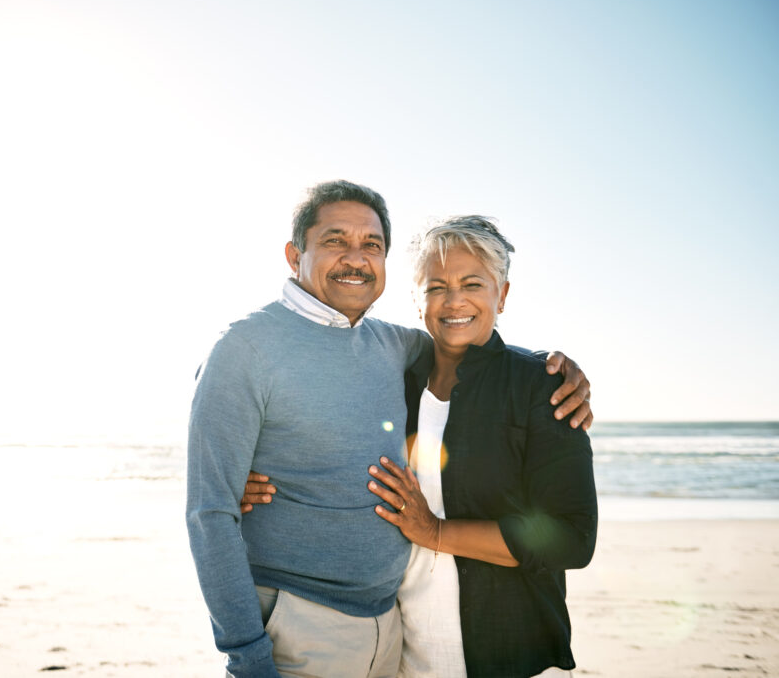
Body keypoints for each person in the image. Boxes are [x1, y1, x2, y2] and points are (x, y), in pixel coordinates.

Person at [187, 181, 591, 678]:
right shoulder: (258, 349)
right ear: (295, 256)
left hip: (434, 640)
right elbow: (211, 507)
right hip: (337, 633)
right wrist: (246, 656)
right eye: (335, 240)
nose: (356, 259)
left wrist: (556, 367)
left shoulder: (412, 353)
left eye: (371, 245)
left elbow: (571, 536)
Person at [366, 215, 598, 677]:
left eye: (473, 283)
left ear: (502, 295)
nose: (454, 301)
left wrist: (434, 532)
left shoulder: (542, 386)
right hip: (400, 653)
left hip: (511, 655)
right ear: (417, 299)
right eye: (436, 287)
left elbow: (573, 538)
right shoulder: (389, 383)